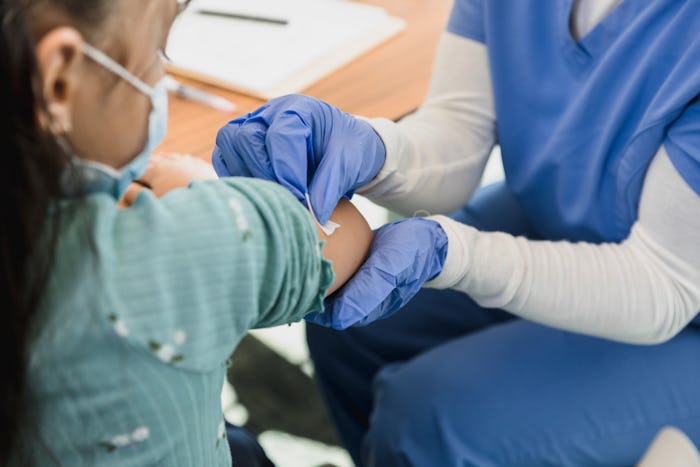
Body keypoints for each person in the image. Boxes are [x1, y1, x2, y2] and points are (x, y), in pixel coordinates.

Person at [213, 0, 700, 465]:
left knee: (427, 424)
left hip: (674, 300)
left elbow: (663, 283)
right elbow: (460, 128)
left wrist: (457, 257)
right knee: (352, 331)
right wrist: (373, 147)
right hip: (565, 206)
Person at [0, 0, 374, 465]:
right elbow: (347, 235)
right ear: (58, 80)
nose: (163, 82)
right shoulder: (172, 244)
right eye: (156, 54)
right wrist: (205, 192)